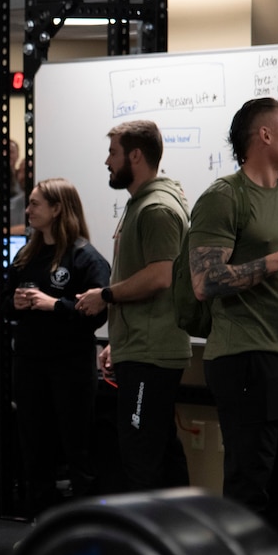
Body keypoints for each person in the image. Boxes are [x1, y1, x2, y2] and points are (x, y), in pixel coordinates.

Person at [188, 98, 278, 531]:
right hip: (245, 357)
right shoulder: (224, 197)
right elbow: (204, 283)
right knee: (252, 484)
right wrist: (275, 262)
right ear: (265, 135)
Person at [75, 119, 191, 491]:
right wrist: (117, 341)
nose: (107, 161)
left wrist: (105, 295)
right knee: (162, 452)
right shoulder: (140, 204)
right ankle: (180, 536)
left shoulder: (156, 209)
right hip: (139, 349)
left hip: (151, 355)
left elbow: (161, 275)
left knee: (141, 457)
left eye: (113, 153)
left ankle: (146, 546)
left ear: (136, 156)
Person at [5, 178, 110, 516]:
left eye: (35, 203)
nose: (29, 209)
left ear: (57, 209)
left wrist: (55, 305)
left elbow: (97, 312)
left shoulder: (84, 257)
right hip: (30, 363)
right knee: (35, 450)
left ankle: (87, 529)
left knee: (78, 451)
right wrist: (16, 303)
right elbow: (3, 301)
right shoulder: (26, 255)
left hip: (70, 366)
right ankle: (42, 528)